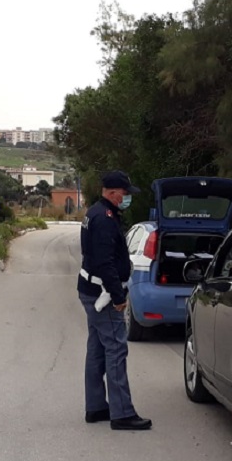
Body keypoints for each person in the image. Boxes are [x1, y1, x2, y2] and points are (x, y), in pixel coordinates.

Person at [77, 170, 152, 430]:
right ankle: (122, 413)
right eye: (125, 193)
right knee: (116, 350)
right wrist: (118, 297)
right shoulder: (105, 219)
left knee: (97, 349)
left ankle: (96, 407)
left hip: (91, 289)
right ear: (112, 192)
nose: (127, 198)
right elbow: (104, 261)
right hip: (103, 294)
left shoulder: (95, 212)